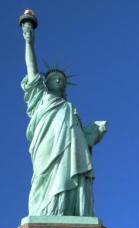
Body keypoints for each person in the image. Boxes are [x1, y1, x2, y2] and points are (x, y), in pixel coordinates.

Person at [21, 17, 106, 216]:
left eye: (61, 79)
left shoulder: (69, 108)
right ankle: (46, 213)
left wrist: (92, 134)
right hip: (46, 148)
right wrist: (29, 41)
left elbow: (80, 142)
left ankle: (69, 212)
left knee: (69, 173)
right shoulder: (40, 98)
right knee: (44, 178)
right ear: (45, 83)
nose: (58, 79)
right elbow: (32, 69)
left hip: (70, 154)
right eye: (53, 78)